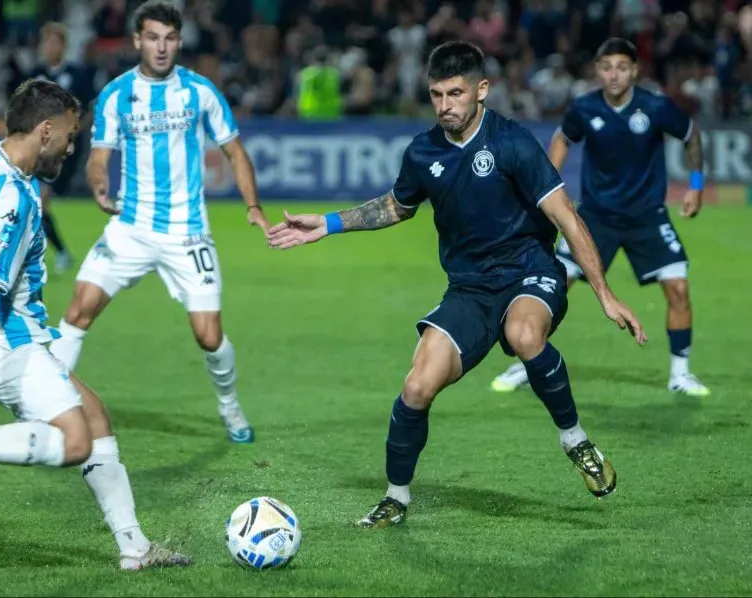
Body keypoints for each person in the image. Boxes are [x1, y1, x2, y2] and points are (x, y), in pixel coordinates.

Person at [267, 41, 647, 528]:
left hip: (530, 269)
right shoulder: (423, 151)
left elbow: (568, 219)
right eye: (436, 95)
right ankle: (396, 497)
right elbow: (397, 206)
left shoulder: (512, 142)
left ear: (481, 90)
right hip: (470, 289)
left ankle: (575, 440)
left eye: (455, 93)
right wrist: (329, 224)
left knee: (524, 334)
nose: (445, 105)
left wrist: (605, 294)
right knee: (416, 387)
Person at [0, 78, 191, 571]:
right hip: (3, 342)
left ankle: (134, 549)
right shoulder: (14, 202)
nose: (72, 146)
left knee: (96, 418)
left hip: (6, 336)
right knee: (77, 442)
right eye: (69, 135)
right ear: (43, 131)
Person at [48, 1, 269, 444]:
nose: (161, 47)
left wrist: (253, 206)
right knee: (77, 312)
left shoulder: (201, 92)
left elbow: (235, 152)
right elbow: (98, 159)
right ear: (137, 41)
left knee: (209, 337)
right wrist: (98, 189)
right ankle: (47, 406)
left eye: (169, 38)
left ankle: (229, 405)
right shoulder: (115, 95)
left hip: (187, 232)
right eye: (153, 37)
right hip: (130, 227)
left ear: (180, 41)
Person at [490, 38, 709, 397]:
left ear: (635, 70)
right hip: (595, 218)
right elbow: (562, 139)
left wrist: (696, 186)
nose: (614, 74)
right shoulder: (584, 108)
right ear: (597, 70)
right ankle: (527, 361)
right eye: (607, 67)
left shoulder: (655, 107)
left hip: (647, 217)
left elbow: (691, 134)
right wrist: (547, 184)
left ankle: (680, 374)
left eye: (622, 67)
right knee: (552, 284)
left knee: (679, 289)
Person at [27, 21, 94, 274]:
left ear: (64, 46)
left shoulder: (77, 74)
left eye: (55, 42)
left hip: (65, 147)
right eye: (46, 42)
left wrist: (73, 133)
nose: (49, 47)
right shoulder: (33, 75)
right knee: (36, 202)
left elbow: (90, 107)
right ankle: (58, 253)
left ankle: (59, 253)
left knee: (41, 200)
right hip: (38, 147)